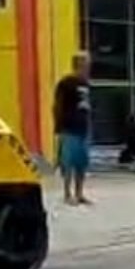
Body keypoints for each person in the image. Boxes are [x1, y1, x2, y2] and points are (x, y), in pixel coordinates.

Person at [53, 51, 92, 206]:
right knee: (68, 163)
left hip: (83, 128)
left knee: (82, 163)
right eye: (86, 63)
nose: (89, 66)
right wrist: (59, 126)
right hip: (69, 129)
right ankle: (67, 194)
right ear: (79, 64)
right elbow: (57, 105)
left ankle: (79, 193)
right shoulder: (66, 83)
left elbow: (86, 107)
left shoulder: (86, 84)